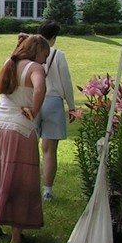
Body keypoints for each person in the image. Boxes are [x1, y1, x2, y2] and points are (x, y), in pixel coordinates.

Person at [0, 34, 50, 243]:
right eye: (44, 55)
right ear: (37, 51)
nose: (45, 60)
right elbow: (40, 88)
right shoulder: (35, 68)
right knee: (20, 180)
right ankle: (16, 236)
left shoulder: (8, 63)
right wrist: (34, 111)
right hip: (19, 129)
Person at [36, 21, 75, 202]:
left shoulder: (30, 53)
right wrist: (72, 106)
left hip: (34, 101)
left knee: (30, 147)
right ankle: (48, 190)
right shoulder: (58, 55)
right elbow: (66, 82)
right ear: (53, 38)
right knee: (50, 150)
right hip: (53, 101)